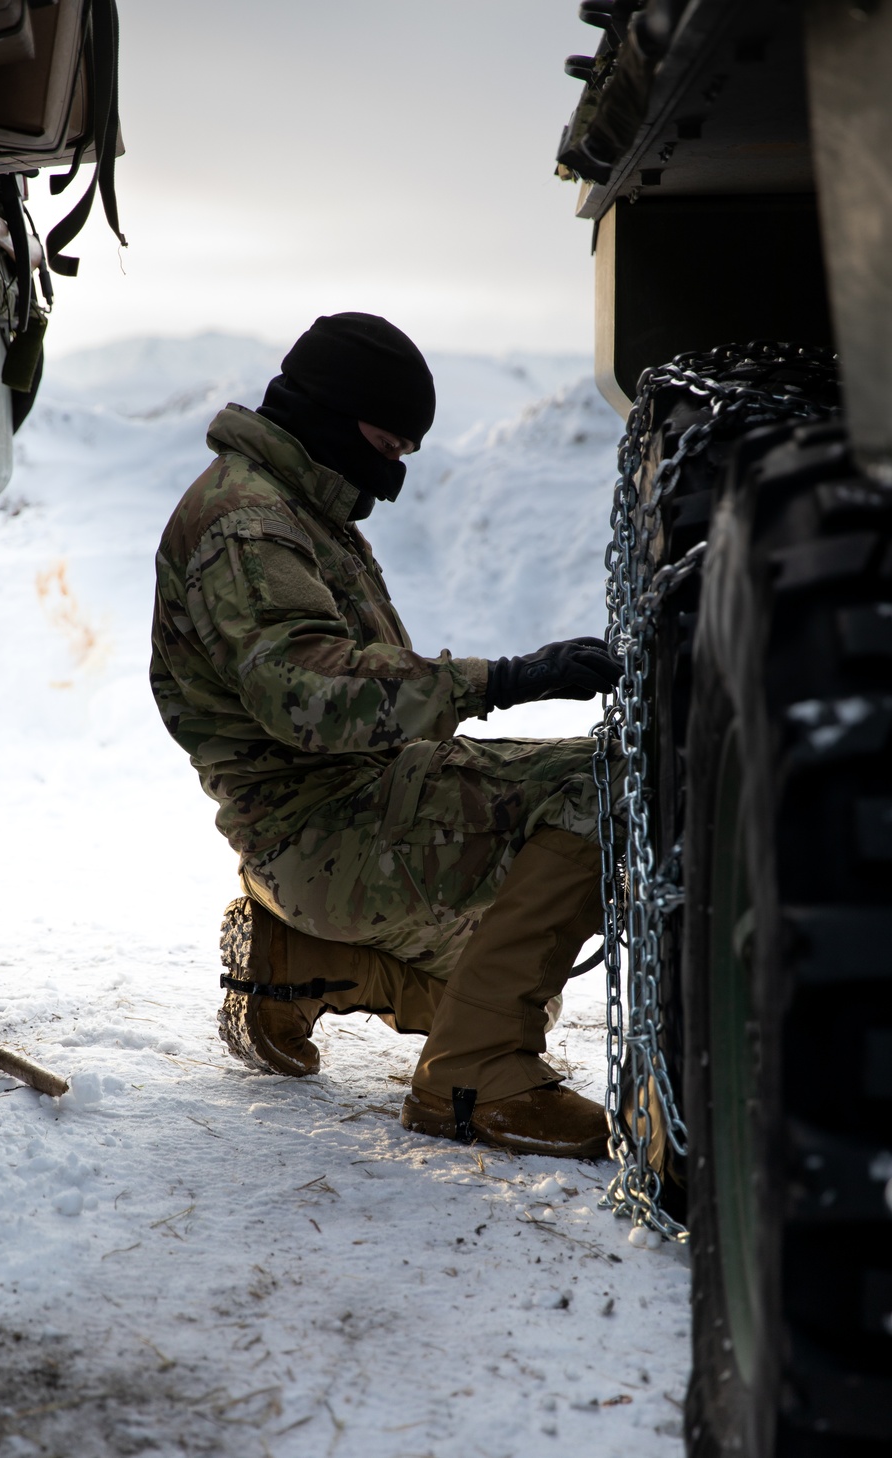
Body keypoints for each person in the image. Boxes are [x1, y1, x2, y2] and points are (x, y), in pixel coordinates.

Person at [150, 312, 622, 1159]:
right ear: (330, 411)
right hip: (331, 829)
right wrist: (505, 680)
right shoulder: (249, 525)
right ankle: (471, 1083)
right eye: (385, 443)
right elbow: (309, 693)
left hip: (349, 816)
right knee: (607, 792)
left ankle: (297, 962)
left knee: (510, 992)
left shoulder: (301, 504)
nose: (391, 472)